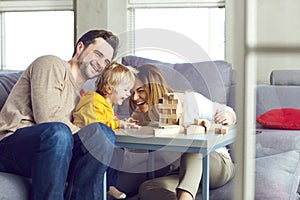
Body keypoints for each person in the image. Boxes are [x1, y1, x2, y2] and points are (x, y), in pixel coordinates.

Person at [0, 29, 120, 200]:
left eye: (106, 61)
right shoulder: (50, 64)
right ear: (80, 48)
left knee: (102, 135)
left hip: (52, 154)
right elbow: (47, 119)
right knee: (58, 133)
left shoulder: (80, 97)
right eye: (98, 54)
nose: (101, 63)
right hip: (10, 145)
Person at [129, 64, 236, 200]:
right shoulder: (145, 117)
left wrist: (228, 116)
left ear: (154, 88)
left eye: (140, 91)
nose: (134, 97)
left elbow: (228, 111)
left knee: (191, 146)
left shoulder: (190, 100)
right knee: (147, 188)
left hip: (216, 166)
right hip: (183, 173)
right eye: (131, 92)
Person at [72, 62, 139, 199]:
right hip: (82, 149)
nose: (128, 94)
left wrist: (120, 123)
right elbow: (96, 127)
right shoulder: (94, 101)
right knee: (112, 146)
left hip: (94, 146)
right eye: (126, 90)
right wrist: (117, 123)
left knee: (118, 149)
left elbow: (106, 122)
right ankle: (106, 185)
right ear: (109, 89)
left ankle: (109, 185)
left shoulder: (107, 105)